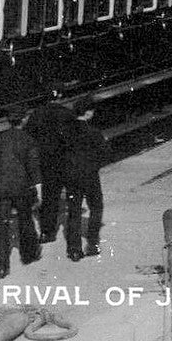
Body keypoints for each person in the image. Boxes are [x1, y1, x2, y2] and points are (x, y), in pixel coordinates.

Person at [0, 110, 41, 278]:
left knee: (2, 226)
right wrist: (39, 190)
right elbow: (34, 168)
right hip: (21, 187)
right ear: (23, 120)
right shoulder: (28, 139)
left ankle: (1, 267)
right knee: (25, 220)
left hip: (1, 187)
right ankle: (29, 255)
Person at [24, 97, 76, 244]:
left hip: (45, 162)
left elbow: (28, 137)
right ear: (60, 96)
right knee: (73, 196)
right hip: (65, 160)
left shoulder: (36, 114)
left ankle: (47, 233)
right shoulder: (67, 113)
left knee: (49, 198)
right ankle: (73, 232)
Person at [63, 99, 109, 261]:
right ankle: (92, 243)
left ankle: (74, 250)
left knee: (74, 212)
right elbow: (105, 154)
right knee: (96, 207)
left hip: (72, 177)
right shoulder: (94, 132)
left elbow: (59, 155)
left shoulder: (65, 132)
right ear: (88, 112)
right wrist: (94, 165)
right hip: (90, 176)